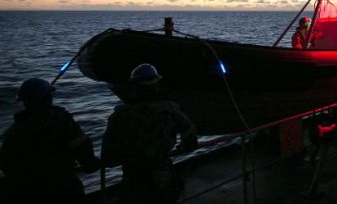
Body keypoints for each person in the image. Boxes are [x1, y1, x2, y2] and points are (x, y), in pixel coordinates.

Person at [101, 64, 198, 204]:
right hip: (162, 174)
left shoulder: (120, 115)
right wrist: (184, 147)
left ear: (133, 87)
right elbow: (190, 135)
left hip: (133, 178)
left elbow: (108, 154)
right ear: (156, 85)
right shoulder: (170, 109)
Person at [0, 78, 100, 204]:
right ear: (47, 98)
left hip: (28, 195)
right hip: (63, 190)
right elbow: (85, 156)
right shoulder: (60, 120)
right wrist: (92, 164)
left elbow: (6, 164)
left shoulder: (14, 130)